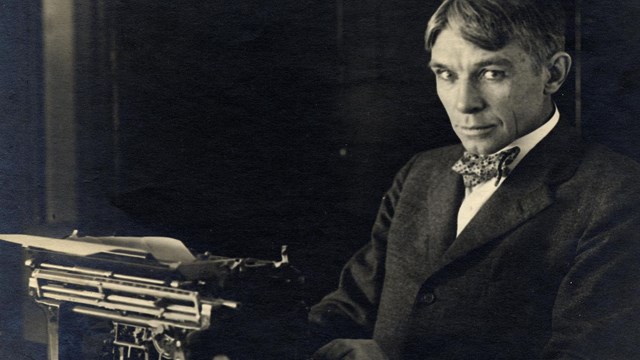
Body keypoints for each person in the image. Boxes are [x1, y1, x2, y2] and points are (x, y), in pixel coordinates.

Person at [308, 0, 640, 359]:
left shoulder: (617, 193)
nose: (464, 103)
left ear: (553, 74)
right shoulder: (420, 172)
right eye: (446, 74)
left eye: (492, 73)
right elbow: (347, 310)